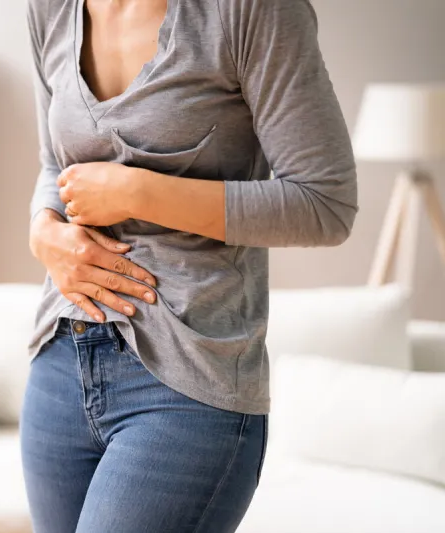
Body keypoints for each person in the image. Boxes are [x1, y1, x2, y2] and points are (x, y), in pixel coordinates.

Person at [20, 0, 358, 531]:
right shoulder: (49, 10)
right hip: (60, 359)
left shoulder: (251, 11)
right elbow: (54, 164)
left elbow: (324, 205)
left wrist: (140, 192)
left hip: (188, 378)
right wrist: (43, 232)